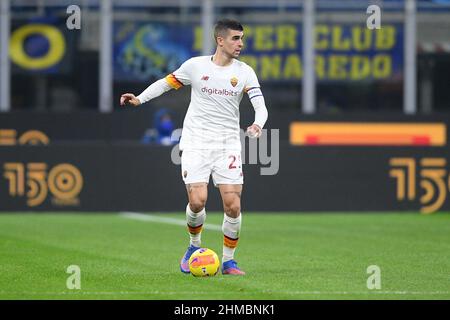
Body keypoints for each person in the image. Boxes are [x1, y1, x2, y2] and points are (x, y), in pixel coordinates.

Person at [120, 18, 268, 275]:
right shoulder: (195, 66)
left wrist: (257, 124)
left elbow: (260, 105)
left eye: (242, 38)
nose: (240, 43)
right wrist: (140, 98)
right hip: (196, 141)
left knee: (232, 204)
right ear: (220, 40)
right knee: (198, 201)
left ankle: (229, 260)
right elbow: (166, 83)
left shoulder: (245, 72)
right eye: (235, 38)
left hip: (227, 144)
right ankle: (193, 246)